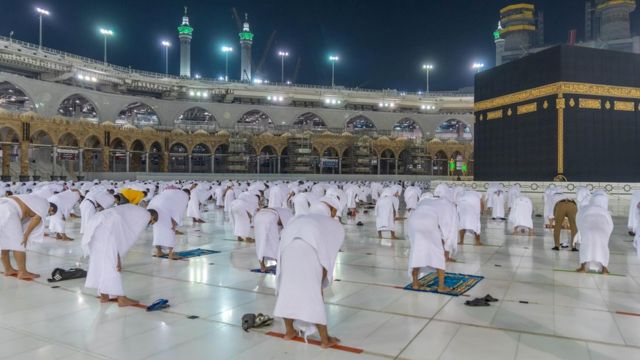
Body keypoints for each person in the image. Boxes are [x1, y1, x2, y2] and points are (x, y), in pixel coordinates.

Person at [273, 198, 344, 348]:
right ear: (330, 210)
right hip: (310, 253)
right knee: (314, 294)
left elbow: (282, 240)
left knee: (287, 290)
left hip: (287, 251)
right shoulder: (330, 223)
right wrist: (323, 277)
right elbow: (328, 253)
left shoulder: (297, 219)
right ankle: (325, 340)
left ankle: (289, 331)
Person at [82, 204, 158, 306]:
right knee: (112, 265)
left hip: (97, 222)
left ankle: (104, 295)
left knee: (101, 261)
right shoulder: (146, 215)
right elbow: (128, 236)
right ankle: (121, 299)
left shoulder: (135, 210)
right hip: (108, 226)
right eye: (152, 222)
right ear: (153, 217)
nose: (149, 224)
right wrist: (118, 258)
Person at [0, 195, 57, 279]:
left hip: (3, 205)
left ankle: (8, 269)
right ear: (51, 209)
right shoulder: (45, 205)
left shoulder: (35, 202)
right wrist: (25, 235)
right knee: (19, 244)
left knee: (4, 242)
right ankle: (23, 272)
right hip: (9, 210)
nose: (47, 215)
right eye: (50, 214)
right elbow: (36, 219)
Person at [407, 202, 451, 292]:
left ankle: (415, 284)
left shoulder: (419, 206)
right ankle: (441, 287)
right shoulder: (442, 205)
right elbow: (444, 228)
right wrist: (445, 245)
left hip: (414, 220)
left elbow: (410, 231)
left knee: (417, 253)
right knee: (438, 254)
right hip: (430, 221)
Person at [147, 189, 189, 259]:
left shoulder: (164, 199)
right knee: (168, 233)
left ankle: (159, 251)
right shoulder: (180, 197)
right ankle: (170, 254)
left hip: (162, 214)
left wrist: (174, 223)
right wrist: (174, 223)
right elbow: (177, 210)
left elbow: (174, 211)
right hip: (160, 213)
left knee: (159, 234)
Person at [577, 194, 613, 274]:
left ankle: (583, 268)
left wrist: (582, 231)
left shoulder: (586, 208)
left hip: (588, 230)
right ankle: (605, 269)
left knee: (585, 247)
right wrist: (607, 234)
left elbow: (579, 220)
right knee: (604, 248)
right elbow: (610, 225)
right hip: (603, 231)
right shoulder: (605, 211)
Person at [254, 207, 293, 272]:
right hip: (270, 217)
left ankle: (262, 266)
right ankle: (279, 264)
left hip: (258, 216)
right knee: (274, 242)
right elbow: (286, 229)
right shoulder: (290, 216)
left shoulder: (283, 210)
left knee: (259, 242)